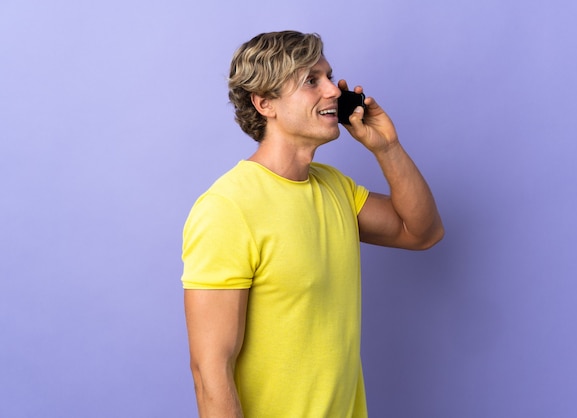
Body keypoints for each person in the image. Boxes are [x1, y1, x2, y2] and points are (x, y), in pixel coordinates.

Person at [181, 30, 444, 418]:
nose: (334, 91)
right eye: (311, 81)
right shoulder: (228, 208)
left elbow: (423, 232)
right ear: (265, 102)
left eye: (328, 76)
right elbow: (210, 370)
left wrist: (387, 148)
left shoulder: (334, 187)